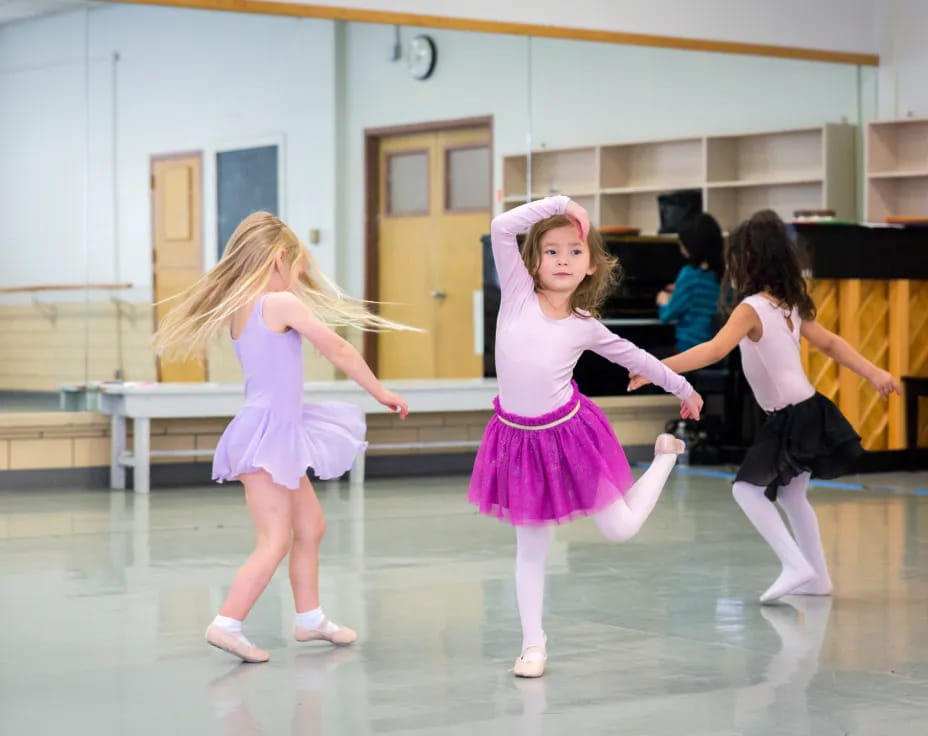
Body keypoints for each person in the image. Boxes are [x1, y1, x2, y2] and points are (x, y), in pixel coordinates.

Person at [153, 212, 412, 662]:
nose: (300, 277)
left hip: (278, 434)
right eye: (298, 267)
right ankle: (226, 623)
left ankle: (309, 618)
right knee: (273, 540)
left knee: (310, 527)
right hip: (269, 436)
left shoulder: (243, 307)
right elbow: (340, 348)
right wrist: (380, 391)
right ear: (278, 258)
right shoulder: (277, 303)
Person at [468, 196, 703, 678]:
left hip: (569, 437)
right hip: (518, 441)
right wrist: (563, 205)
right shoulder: (516, 294)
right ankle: (533, 645)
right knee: (530, 548)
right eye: (551, 251)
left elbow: (637, 358)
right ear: (532, 262)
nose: (562, 260)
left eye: (574, 251)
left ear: (591, 264)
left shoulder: (585, 327)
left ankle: (663, 458)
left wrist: (683, 387)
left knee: (619, 529)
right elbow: (500, 223)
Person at [630, 209, 900, 603]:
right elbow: (831, 344)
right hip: (809, 408)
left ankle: (795, 565)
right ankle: (818, 577)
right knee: (792, 497)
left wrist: (655, 369)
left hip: (790, 416)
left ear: (747, 261)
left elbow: (712, 349)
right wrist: (873, 372)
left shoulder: (752, 307)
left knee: (746, 491)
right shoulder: (786, 304)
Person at [657, 212, 724, 352]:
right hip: (717, 350)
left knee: (640, 364)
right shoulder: (723, 273)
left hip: (690, 349)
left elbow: (667, 315)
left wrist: (663, 300)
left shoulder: (690, 274)